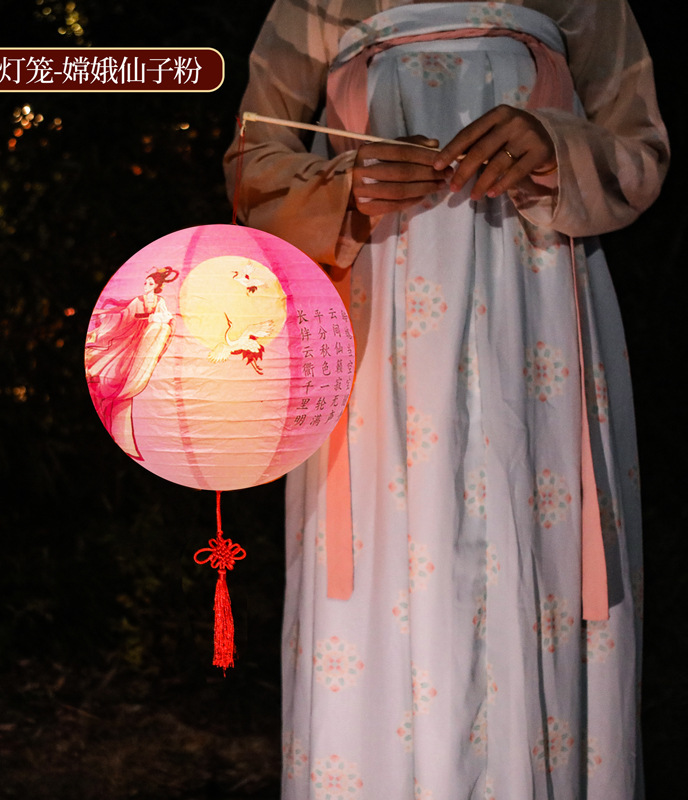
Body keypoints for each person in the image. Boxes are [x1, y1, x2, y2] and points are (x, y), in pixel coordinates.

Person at [224, 2, 669, 798]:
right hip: (379, 323)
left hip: (536, 324)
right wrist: (340, 186)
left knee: (535, 559)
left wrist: (556, 149)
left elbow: (638, 148)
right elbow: (254, 154)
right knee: (390, 577)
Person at [85, 266, 178, 460]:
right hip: (128, 339)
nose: (146, 286)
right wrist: (109, 317)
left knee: (129, 379)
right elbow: (124, 317)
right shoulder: (138, 301)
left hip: (141, 341)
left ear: (157, 286)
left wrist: (155, 319)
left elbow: (166, 317)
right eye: (145, 282)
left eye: (150, 283)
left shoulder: (159, 302)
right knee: (115, 371)